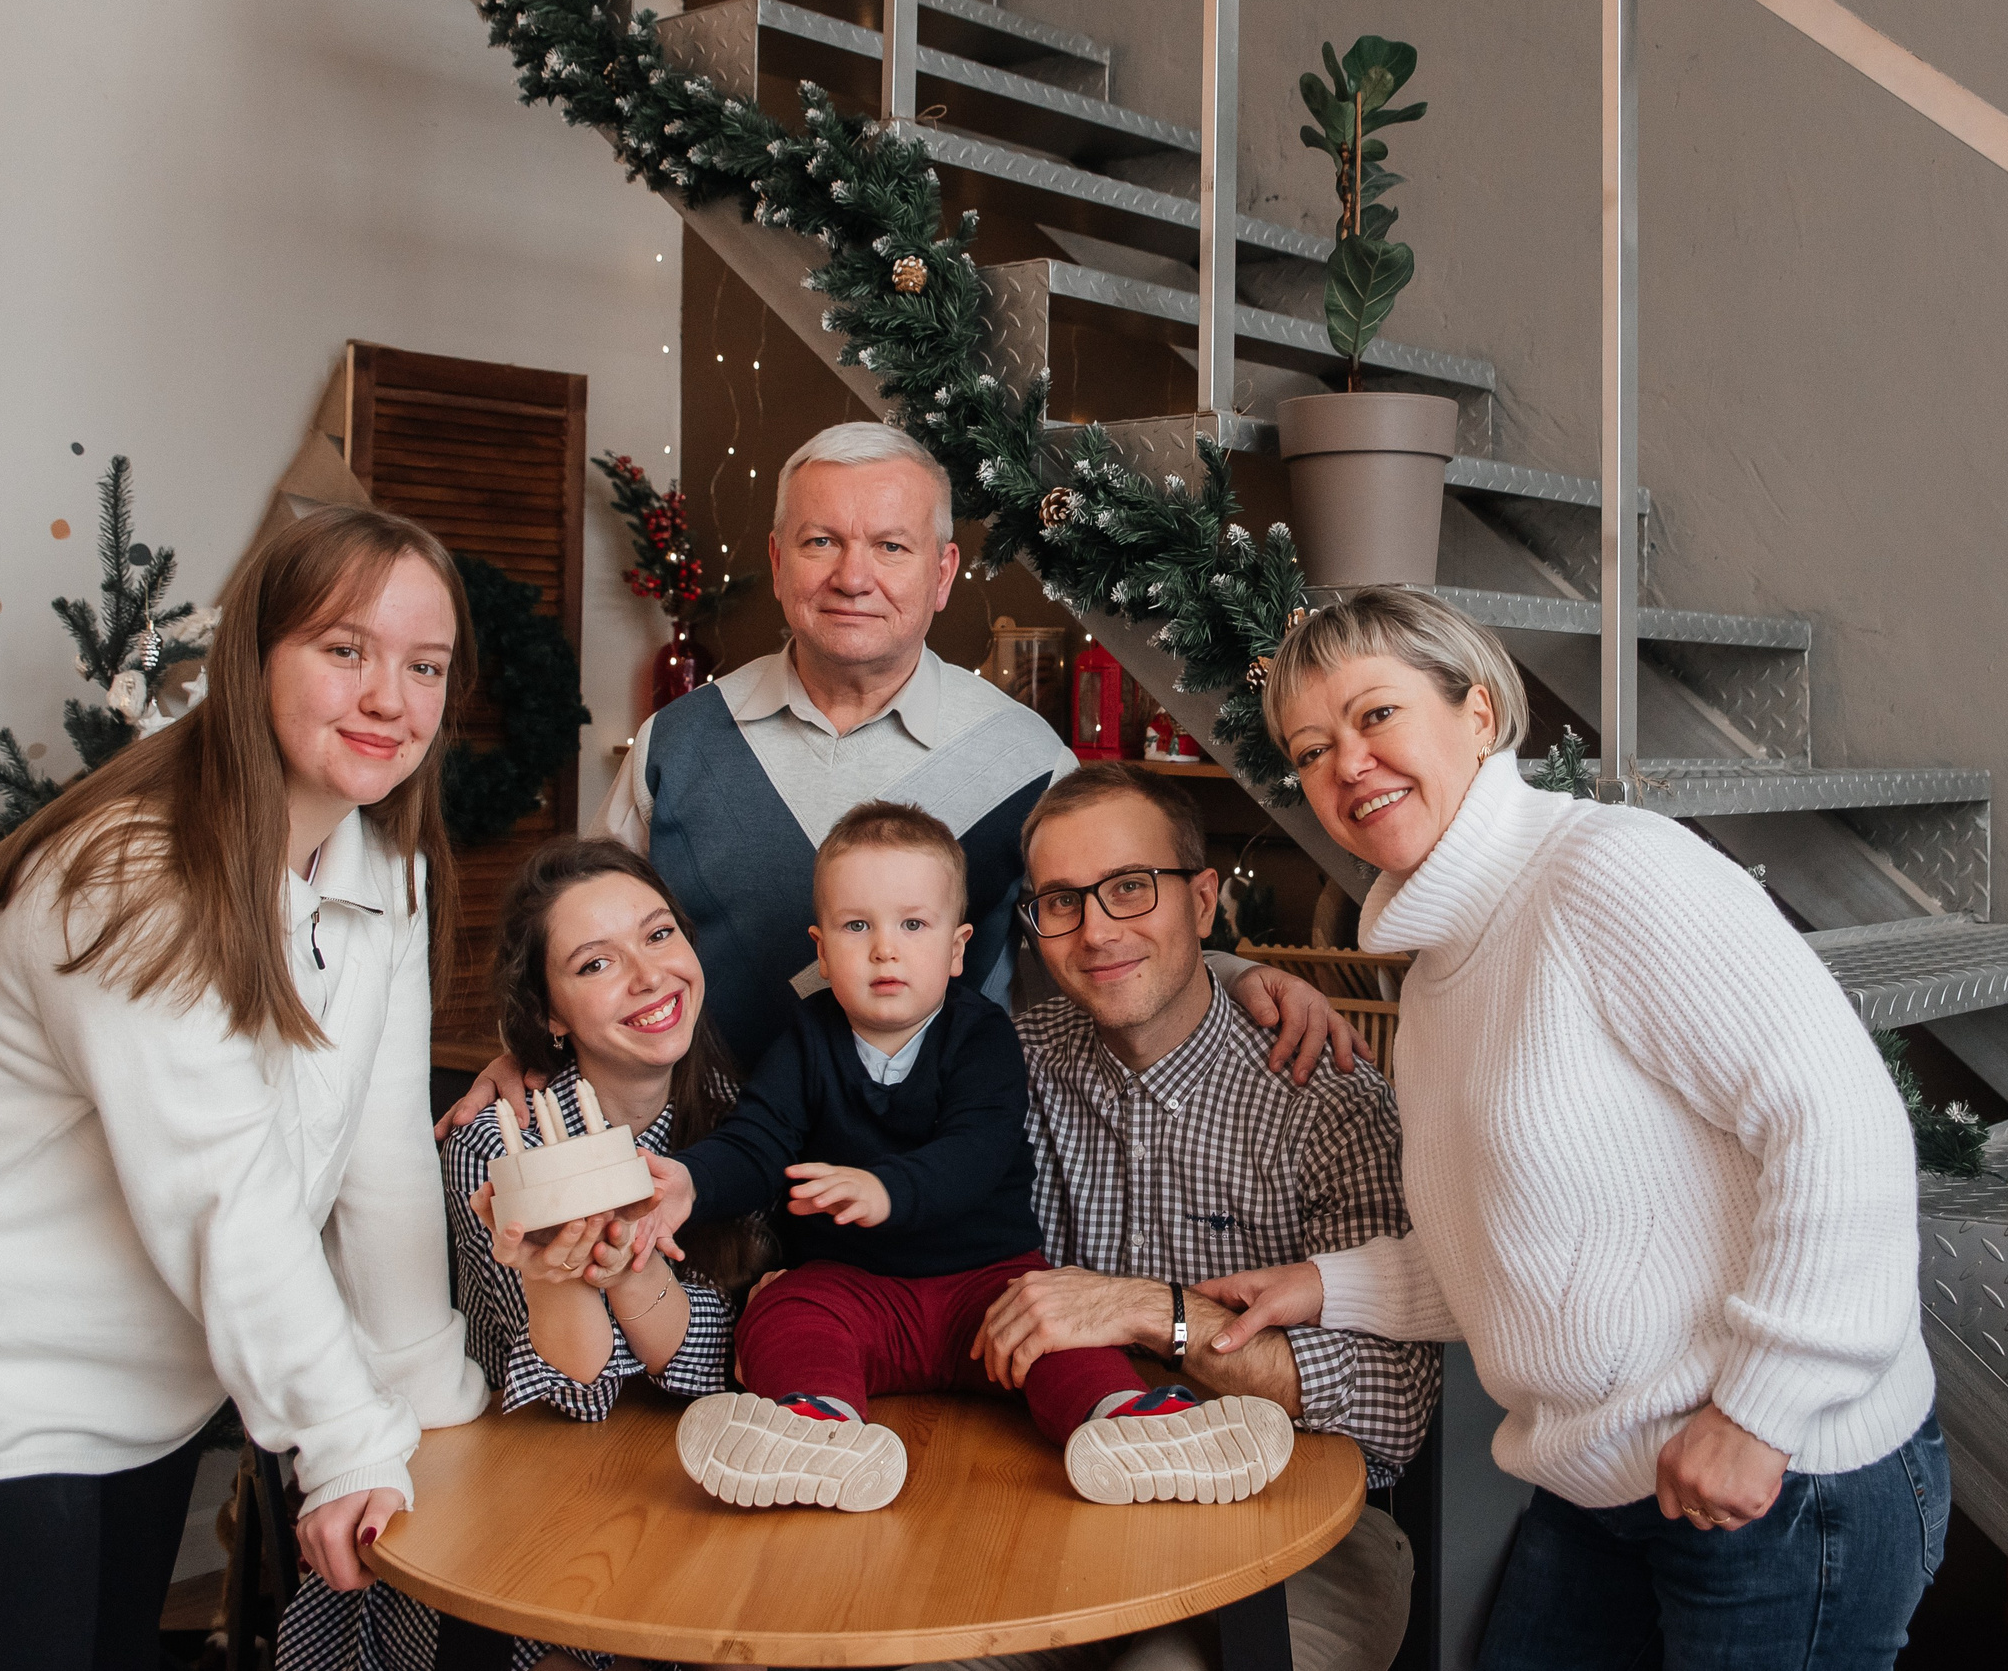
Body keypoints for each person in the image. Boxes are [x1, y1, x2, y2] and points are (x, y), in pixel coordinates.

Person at [0, 506, 491, 1669]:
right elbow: (224, 1197)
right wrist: (345, 1441)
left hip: (132, 1409)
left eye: (424, 664)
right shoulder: (128, 871)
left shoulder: (381, 864)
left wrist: (424, 1403)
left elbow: (383, 1158)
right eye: (345, 649)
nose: (390, 697)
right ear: (253, 659)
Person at [1200, 589, 1945, 1671]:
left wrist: (1761, 1409)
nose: (1346, 763)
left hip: (1781, 1482)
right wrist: (1323, 1284)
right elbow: (1520, 1239)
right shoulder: (1447, 954)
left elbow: (1839, 1122)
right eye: (1311, 748)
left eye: (1375, 715)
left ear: (1481, 713)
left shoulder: (1605, 871)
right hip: (1601, 1481)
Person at [445, 421, 1359, 1136]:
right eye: (819, 542)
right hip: (708, 1162)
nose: (853, 576)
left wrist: (1233, 971)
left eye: (890, 546)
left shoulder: (1025, 756)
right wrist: (522, 1053)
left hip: (939, 1170)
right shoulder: (675, 744)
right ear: (776, 562)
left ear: (943, 573)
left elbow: (1109, 919)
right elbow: (581, 944)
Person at [922, 763, 1440, 1671]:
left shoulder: (1326, 1096)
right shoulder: (1006, 1070)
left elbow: (1395, 1413)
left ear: (1202, 902)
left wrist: (1153, 1310)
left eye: (1130, 888)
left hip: (1287, 1534)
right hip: (1046, 1496)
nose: (1096, 931)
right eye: (1061, 901)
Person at [643, 801, 1292, 1512]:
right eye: (858, 926)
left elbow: (976, 1151)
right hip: (854, 1285)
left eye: (912, 924)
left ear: (956, 950)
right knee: (786, 1309)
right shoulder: (805, 1039)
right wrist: (691, 1180)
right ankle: (818, 1427)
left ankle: (1130, 1421)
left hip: (987, 1287)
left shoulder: (981, 1035)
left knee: (1061, 1327)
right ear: (822, 950)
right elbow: (757, 1139)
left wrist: (886, 1190)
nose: (885, 949)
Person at [278, 836, 768, 1671]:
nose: (650, 977)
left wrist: (631, 1265)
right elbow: (577, 1393)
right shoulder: (494, 1148)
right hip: (525, 1504)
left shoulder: (746, 1125)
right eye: (593, 964)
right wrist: (576, 1278)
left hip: (700, 1494)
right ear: (548, 1013)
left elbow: (734, 1360)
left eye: (658, 935)